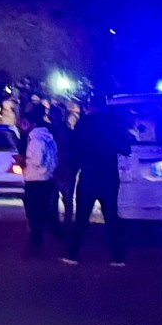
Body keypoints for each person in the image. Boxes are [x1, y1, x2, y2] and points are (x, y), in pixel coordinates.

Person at [64, 104, 132, 266]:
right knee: (111, 217)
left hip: (89, 174)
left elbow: (74, 148)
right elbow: (125, 148)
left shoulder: (85, 123)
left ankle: (73, 255)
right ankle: (117, 257)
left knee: (81, 216)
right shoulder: (115, 122)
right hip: (109, 175)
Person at [19, 104, 60, 255]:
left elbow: (36, 160)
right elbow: (55, 159)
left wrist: (23, 160)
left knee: (34, 215)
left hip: (35, 180)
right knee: (43, 212)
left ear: (33, 124)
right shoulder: (49, 138)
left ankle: (35, 245)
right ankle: (48, 237)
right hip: (47, 179)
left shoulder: (35, 140)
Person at [47, 99, 77, 226]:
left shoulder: (49, 132)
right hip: (66, 167)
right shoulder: (68, 132)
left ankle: (56, 224)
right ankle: (67, 222)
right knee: (66, 198)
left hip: (56, 167)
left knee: (54, 198)